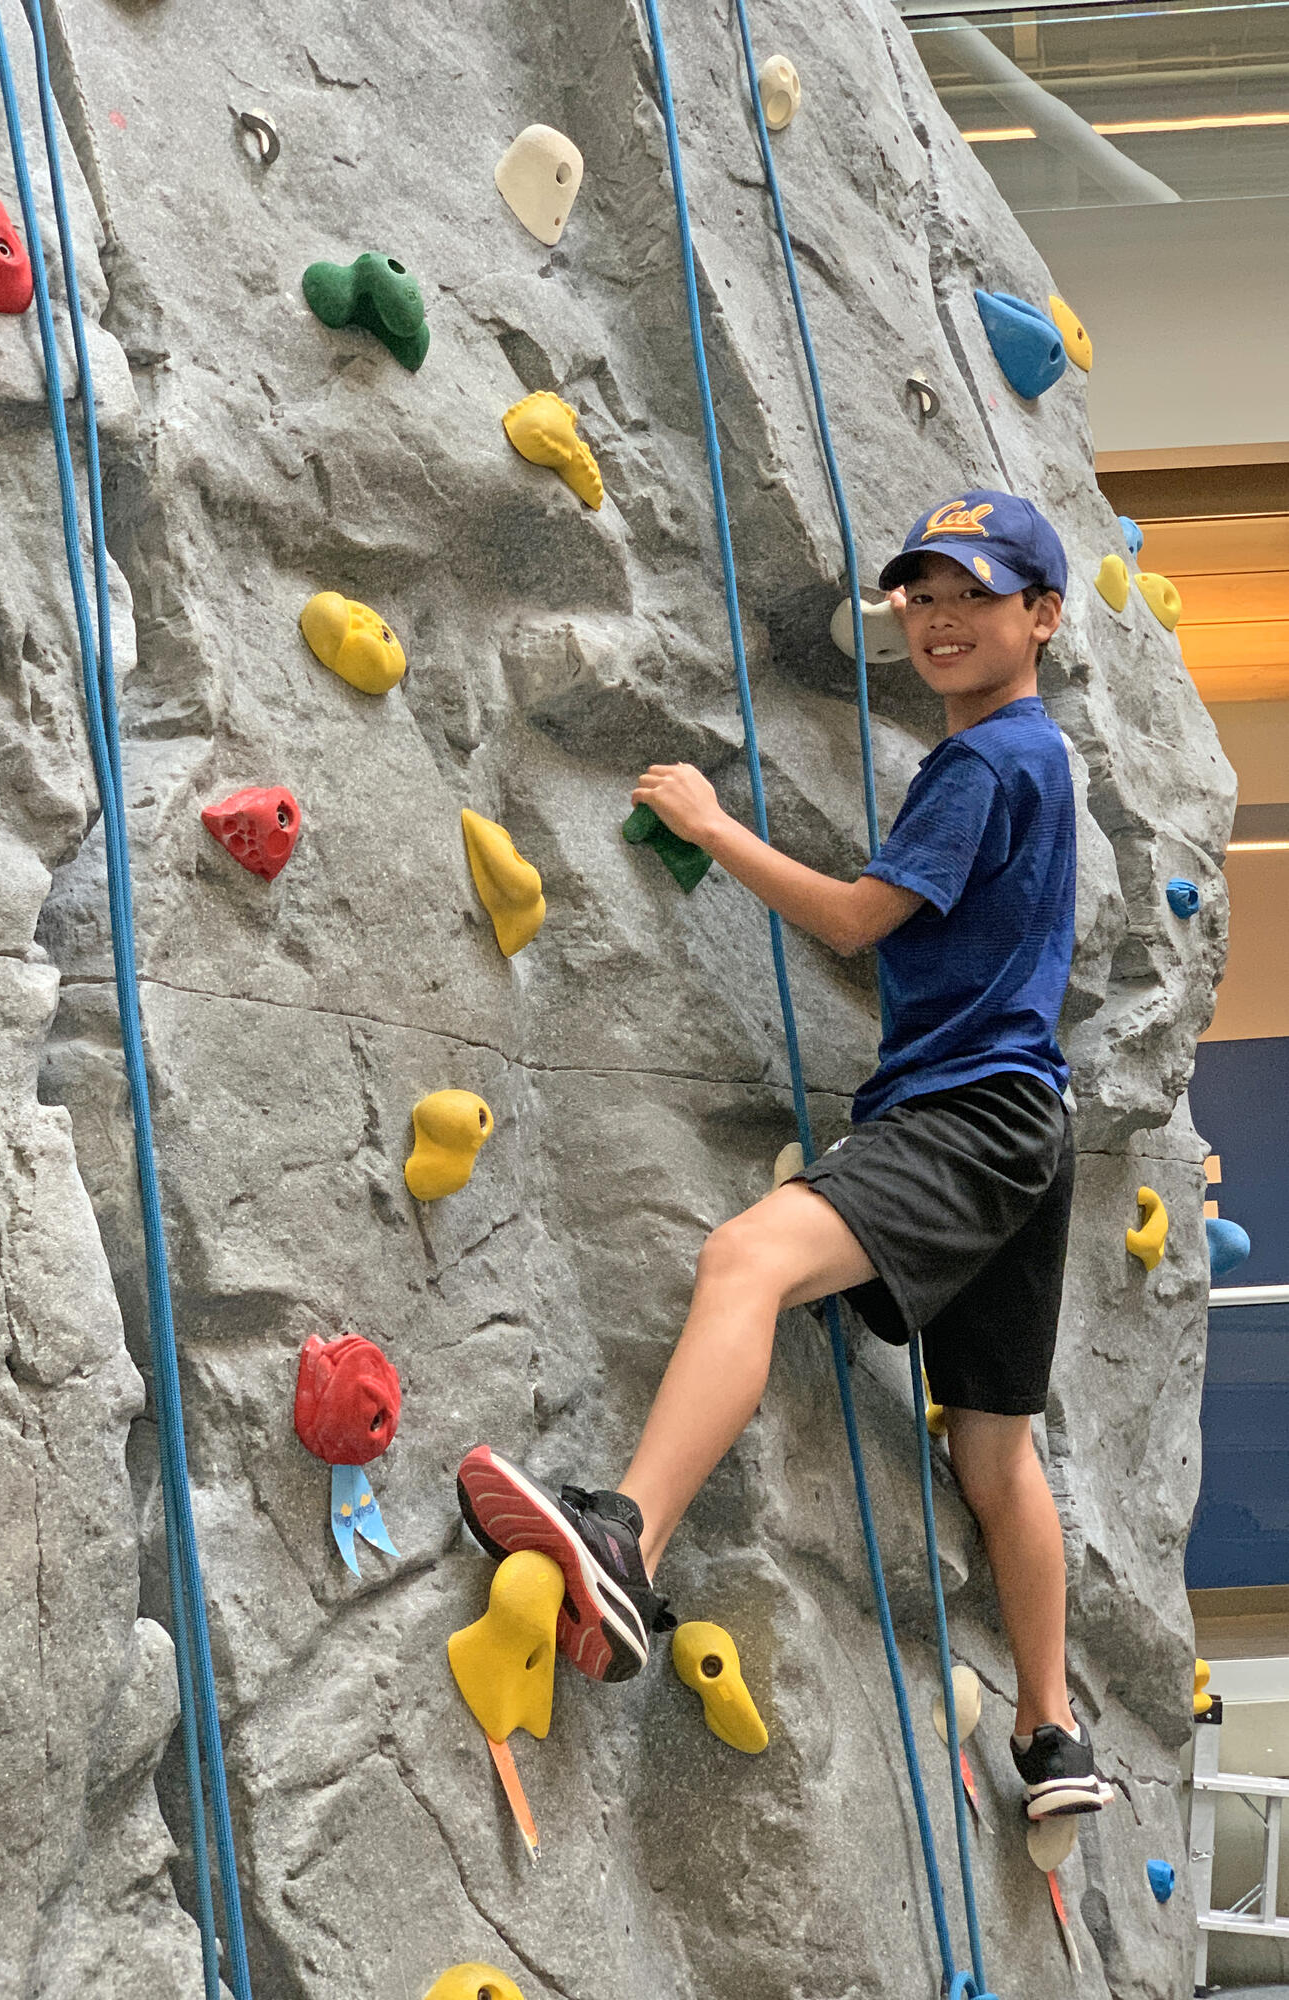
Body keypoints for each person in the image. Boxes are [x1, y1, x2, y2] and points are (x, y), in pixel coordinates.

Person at [457, 489, 1113, 1821]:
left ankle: (624, 1538)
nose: (936, 622)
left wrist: (712, 828)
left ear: (1039, 618)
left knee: (745, 1258)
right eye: (919, 599)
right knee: (994, 1450)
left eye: (972, 599)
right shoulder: (1035, 762)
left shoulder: (987, 762)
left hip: (967, 1115)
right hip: (1023, 1125)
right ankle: (1053, 1743)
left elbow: (862, 920)